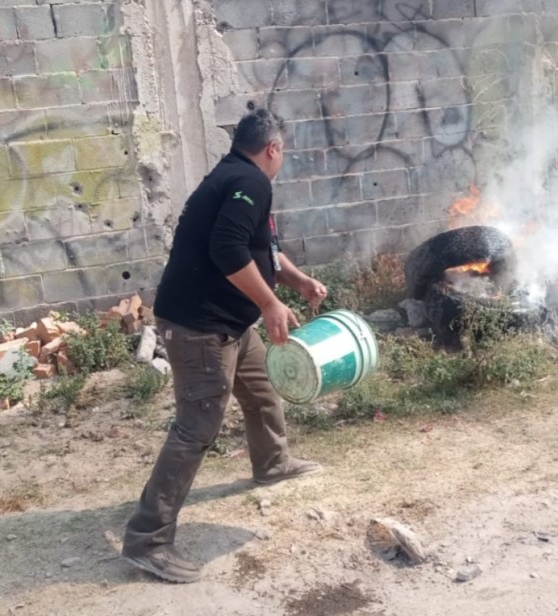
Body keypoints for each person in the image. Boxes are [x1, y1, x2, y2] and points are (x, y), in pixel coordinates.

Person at [121, 108, 327, 583]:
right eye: (284, 151)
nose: (283, 158)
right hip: (200, 327)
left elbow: (262, 249)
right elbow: (228, 250)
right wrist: (273, 305)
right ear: (272, 148)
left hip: (229, 323)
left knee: (259, 391)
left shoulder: (236, 176)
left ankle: (272, 464)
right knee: (196, 428)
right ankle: (147, 540)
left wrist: (296, 283)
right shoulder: (250, 182)